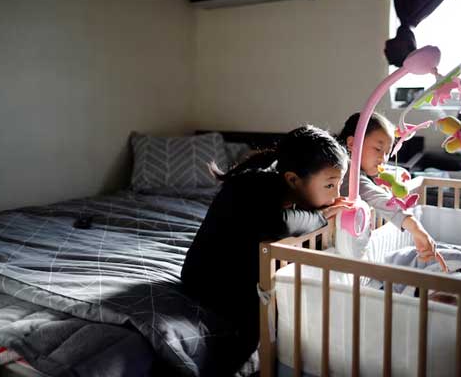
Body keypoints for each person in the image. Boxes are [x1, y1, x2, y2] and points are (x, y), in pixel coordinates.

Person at [181, 125, 352, 374]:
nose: (337, 195)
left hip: (233, 271)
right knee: (261, 317)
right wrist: (320, 218)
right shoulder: (253, 188)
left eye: (339, 185)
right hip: (205, 280)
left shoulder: (284, 188)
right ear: (293, 179)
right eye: (329, 186)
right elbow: (280, 222)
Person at [336, 112, 447, 270]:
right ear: (353, 144)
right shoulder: (345, 171)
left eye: (388, 152)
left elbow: (381, 174)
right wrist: (416, 228)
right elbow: (376, 195)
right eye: (378, 149)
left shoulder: (361, 168)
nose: (383, 158)